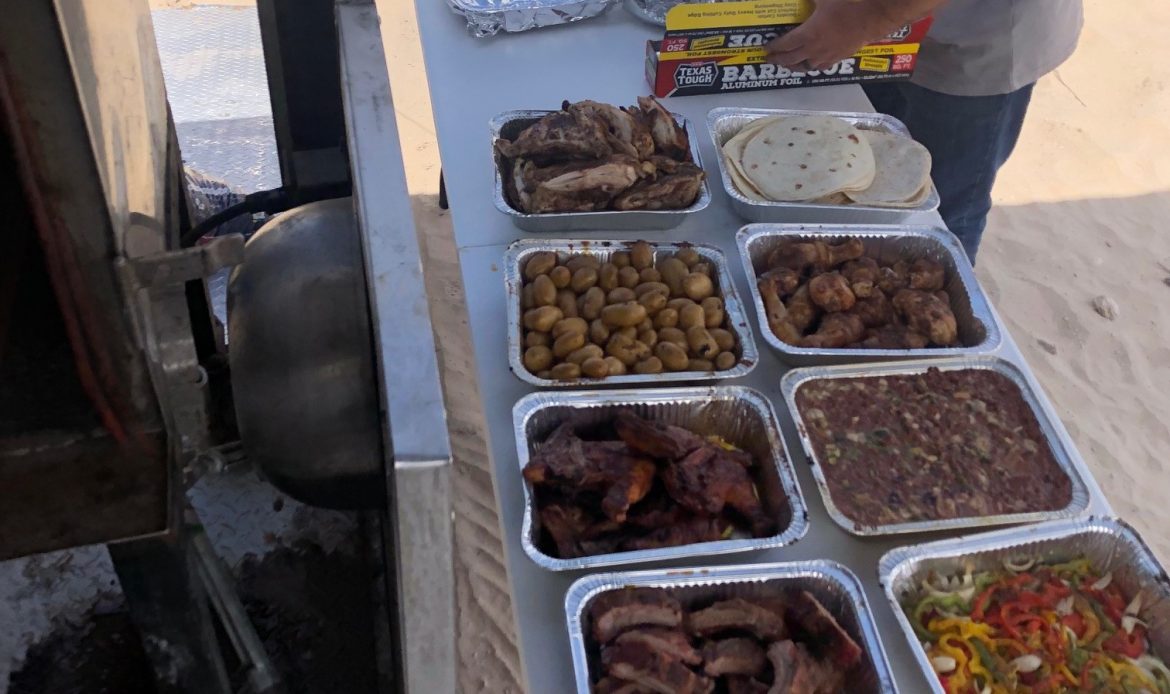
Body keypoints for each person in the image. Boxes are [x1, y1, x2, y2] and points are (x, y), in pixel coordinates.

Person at [765, 0, 1084, 263]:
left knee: (939, 213)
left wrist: (865, 20)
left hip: (973, 39)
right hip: (862, 29)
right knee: (854, 179)